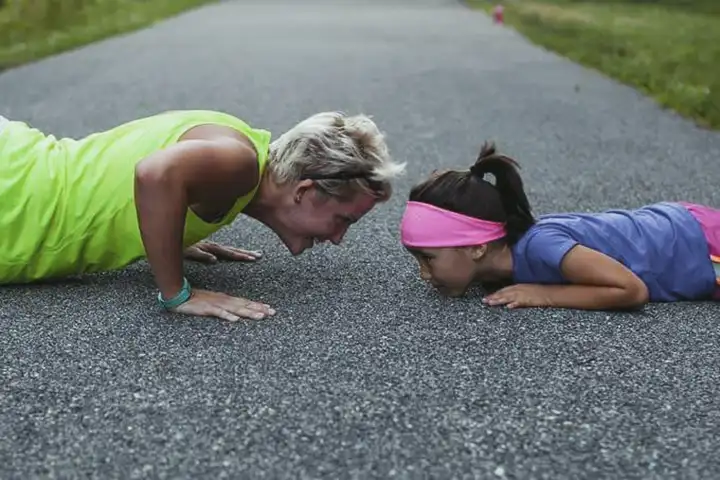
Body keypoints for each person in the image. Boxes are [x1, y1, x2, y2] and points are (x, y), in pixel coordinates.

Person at [0, 109, 405, 321]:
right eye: (344, 220)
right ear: (305, 191)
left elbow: (142, 171)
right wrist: (178, 293)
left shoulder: (240, 149)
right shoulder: (240, 163)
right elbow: (154, 173)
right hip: (16, 199)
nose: (338, 238)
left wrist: (169, 229)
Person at [399, 141, 720, 311]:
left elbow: (631, 290)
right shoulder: (498, 270)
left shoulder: (540, 246)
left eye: (428, 258)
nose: (424, 273)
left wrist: (545, 295)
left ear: (477, 246)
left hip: (700, 244)